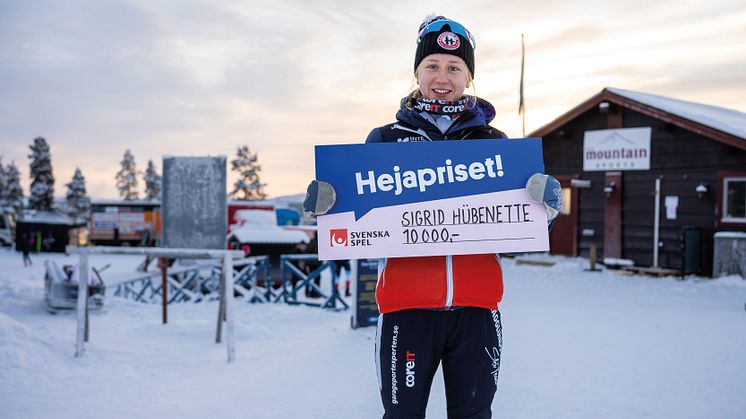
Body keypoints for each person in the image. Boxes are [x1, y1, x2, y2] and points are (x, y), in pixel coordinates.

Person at [305, 15, 561, 419]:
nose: (443, 77)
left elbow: (514, 236)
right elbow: (355, 226)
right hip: (407, 313)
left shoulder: (494, 145)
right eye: (433, 66)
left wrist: (543, 210)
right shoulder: (385, 140)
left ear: (468, 76)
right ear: (418, 72)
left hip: (476, 312)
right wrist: (328, 206)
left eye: (454, 67)